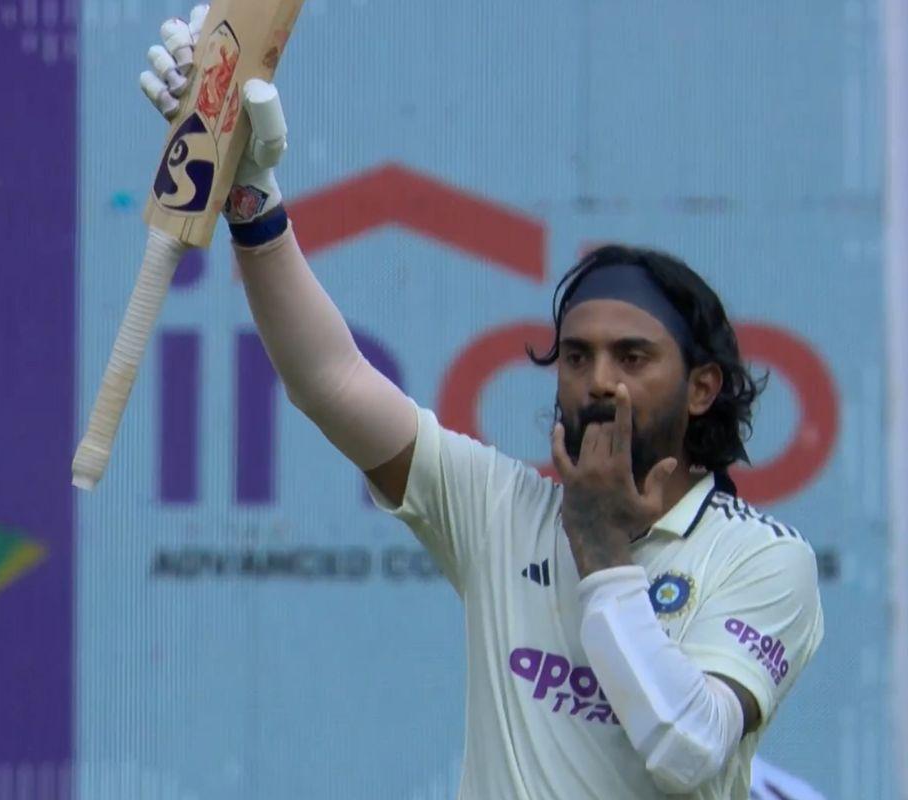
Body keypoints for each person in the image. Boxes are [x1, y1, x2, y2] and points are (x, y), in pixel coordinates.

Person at [140, 9, 825, 798]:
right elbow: (331, 382)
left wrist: (602, 552)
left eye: (632, 357)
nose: (600, 380)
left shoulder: (763, 558)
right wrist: (250, 200)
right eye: (576, 356)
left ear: (704, 387)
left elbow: (688, 747)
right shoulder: (503, 507)